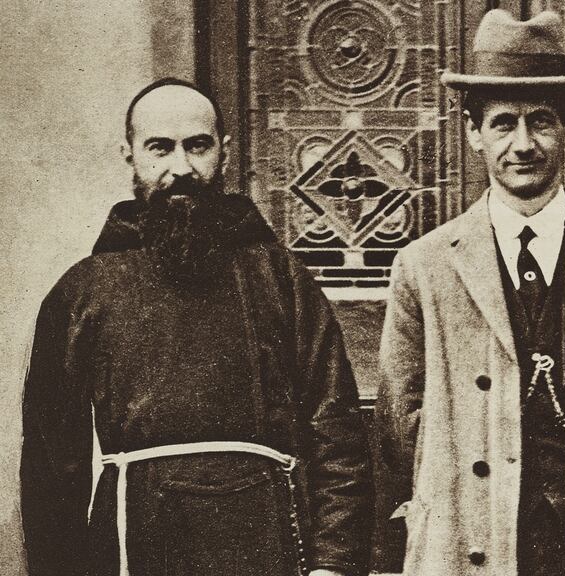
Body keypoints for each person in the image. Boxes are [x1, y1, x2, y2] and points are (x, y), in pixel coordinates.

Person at [20, 78, 372, 576]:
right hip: (139, 544)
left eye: (198, 146)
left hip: (265, 543)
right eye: (160, 148)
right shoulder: (82, 292)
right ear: (129, 154)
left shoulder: (281, 278)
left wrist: (332, 565)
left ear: (224, 152)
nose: (181, 167)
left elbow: (336, 431)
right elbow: (52, 466)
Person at [376, 9, 565, 576]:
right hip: (471, 543)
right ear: (473, 132)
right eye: (502, 123)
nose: (523, 144)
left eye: (541, 121)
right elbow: (401, 426)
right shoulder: (424, 268)